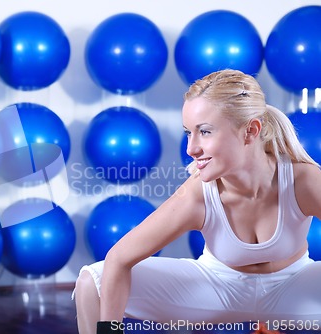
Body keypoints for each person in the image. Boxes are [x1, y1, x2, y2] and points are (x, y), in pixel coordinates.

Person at [73, 69, 321, 334]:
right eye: (188, 133)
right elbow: (119, 258)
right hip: (217, 289)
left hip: (293, 290)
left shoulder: (302, 180)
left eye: (204, 131)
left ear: (250, 131)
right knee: (92, 281)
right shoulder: (197, 193)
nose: (191, 148)